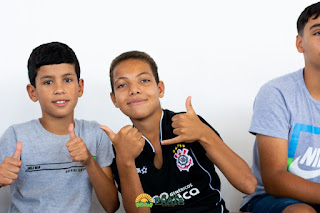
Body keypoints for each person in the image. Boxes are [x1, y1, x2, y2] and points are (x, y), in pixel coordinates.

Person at [100, 51, 257, 213]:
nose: (134, 89)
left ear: (160, 89)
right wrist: (125, 161)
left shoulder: (191, 124)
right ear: (114, 99)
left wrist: (204, 134)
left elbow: (248, 185)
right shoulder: (121, 148)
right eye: (122, 85)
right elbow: (140, 209)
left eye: (144, 80)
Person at [0, 42, 119, 212]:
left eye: (68, 80)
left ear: (80, 87)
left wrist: (89, 162)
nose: (59, 89)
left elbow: (112, 206)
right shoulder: (15, 136)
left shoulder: (95, 134)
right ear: (32, 92)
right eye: (48, 82)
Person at [240, 2, 320, 213]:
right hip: (274, 198)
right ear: (300, 43)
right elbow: (274, 179)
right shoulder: (276, 93)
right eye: (319, 32)